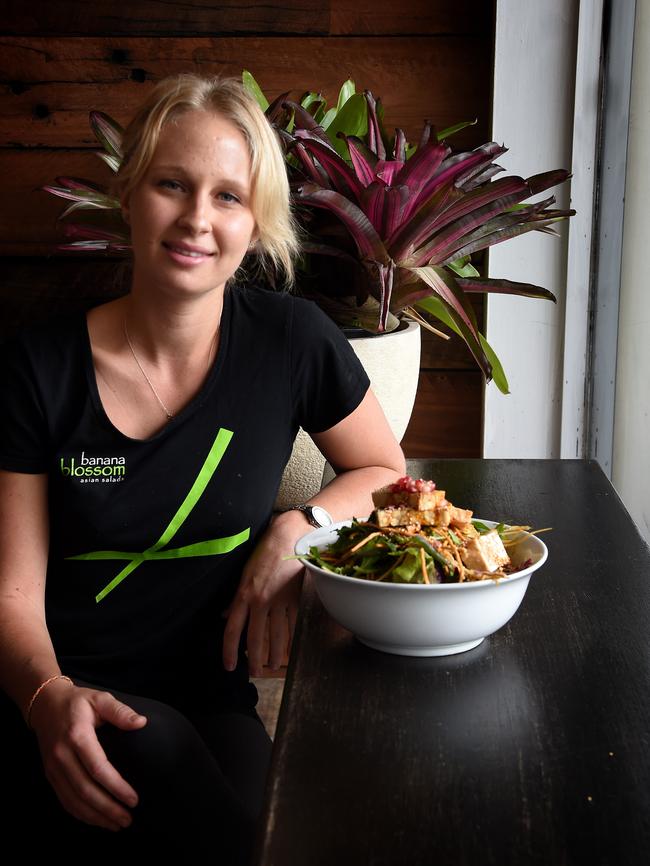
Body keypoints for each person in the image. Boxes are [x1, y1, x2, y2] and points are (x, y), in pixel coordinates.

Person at [0, 74, 405, 862]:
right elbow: (11, 592)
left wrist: (299, 527)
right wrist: (49, 699)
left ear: (256, 226)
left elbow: (387, 474)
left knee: (256, 808)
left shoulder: (291, 342)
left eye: (228, 196)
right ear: (130, 195)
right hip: (63, 695)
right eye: (172, 185)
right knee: (187, 774)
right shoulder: (35, 370)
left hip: (211, 695)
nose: (196, 219)